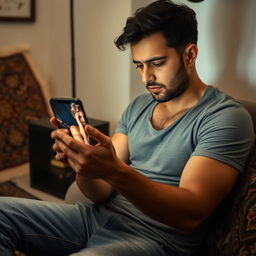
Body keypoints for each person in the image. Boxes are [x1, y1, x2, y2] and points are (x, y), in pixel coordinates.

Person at [0, 1, 254, 255]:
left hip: (154, 240)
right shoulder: (139, 106)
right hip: (93, 218)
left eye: (157, 63)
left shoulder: (225, 117)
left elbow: (190, 213)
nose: (146, 78)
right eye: (139, 65)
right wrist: (85, 166)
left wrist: (115, 171)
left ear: (189, 55)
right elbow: (100, 192)